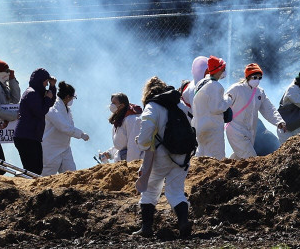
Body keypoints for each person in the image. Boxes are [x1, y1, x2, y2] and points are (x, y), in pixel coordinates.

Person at [134, 77, 192, 238]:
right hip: (182, 155)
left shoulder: (152, 106)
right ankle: (183, 222)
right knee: (176, 191)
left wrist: (142, 144)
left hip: (161, 154)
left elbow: (147, 129)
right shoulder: (179, 104)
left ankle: (146, 228)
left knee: (150, 189)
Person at [224, 63, 286, 159]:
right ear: (248, 76)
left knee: (239, 157)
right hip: (236, 130)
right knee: (250, 158)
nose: (257, 80)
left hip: (251, 131)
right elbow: (224, 104)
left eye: (259, 78)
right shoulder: (236, 89)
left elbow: (269, 109)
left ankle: (225, 166)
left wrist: (279, 121)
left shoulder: (259, 92)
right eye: (255, 77)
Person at [14, 68, 57, 175]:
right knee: (32, 169)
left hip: (32, 136)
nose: (47, 84)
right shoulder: (31, 94)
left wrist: (52, 87)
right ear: (40, 81)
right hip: (26, 136)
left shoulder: (37, 92)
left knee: (37, 168)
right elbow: (40, 112)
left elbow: (50, 103)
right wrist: (47, 98)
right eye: (46, 82)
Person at [41, 81, 89, 176]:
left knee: (71, 175)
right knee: (46, 176)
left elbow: (69, 126)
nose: (72, 100)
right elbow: (63, 126)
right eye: (73, 97)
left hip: (65, 148)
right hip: (51, 149)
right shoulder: (53, 107)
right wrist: (80, 134)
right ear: (67, 97)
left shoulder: (67, 109)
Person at [191, 56, 233, 159]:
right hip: (212, 128)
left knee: (201, 155)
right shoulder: (215, 86)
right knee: (217, 157)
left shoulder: (201, 83)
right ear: (218, 70)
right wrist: (228, 99)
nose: (224, 72)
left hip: (199, 125)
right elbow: (217, 108)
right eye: (223, 69)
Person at [100, 93, 144, 162]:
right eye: (111, 102)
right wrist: (109, 154)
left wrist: (131, 165)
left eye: (114, 103)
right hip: (123, 159)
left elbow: (133, 145)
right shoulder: (118, 122)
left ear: (122, 105)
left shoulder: (132, 120)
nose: (111, 105)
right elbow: (122, 146)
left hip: (134, 161)